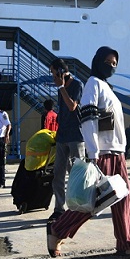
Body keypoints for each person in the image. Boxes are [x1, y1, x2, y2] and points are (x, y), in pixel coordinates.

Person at [47, 46, 130, 258]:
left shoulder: (107, 87)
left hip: (117, 152)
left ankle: (128, 242)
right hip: (102, 152)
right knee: (92, 200)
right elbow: (87, 117)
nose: (112, 66)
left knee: (124, 200)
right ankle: (57, 230)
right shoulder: (93, 84)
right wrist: (93, 151)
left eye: (115, 64)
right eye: (108, 62)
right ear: (97, 61)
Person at [49, 58, 85, 221]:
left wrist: (62, 87)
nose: (52, 77)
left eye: (53, 73)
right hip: (62, 135)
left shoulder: (77, 85)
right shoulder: (60, 87)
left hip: (76, 135)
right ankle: (59, 208)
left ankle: (80, 205)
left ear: (60, 72)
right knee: (58, 173)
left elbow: (72, 106)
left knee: (76, 173)